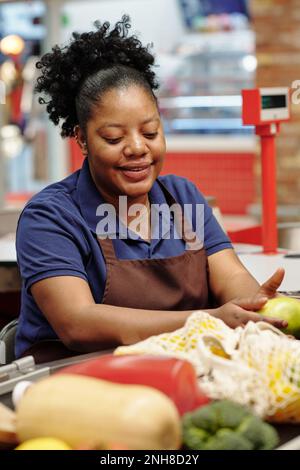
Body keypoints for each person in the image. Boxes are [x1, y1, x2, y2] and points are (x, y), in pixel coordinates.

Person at [15, 16, 287, 360]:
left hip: (180, 369)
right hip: (68, 384)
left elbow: (230, 273)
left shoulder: (183, 199)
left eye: (150, 133)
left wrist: (254, 305)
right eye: (114, 137)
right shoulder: (51, 216)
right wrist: (207, 320)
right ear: (82, 140)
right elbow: (77, 323)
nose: (137, 148)